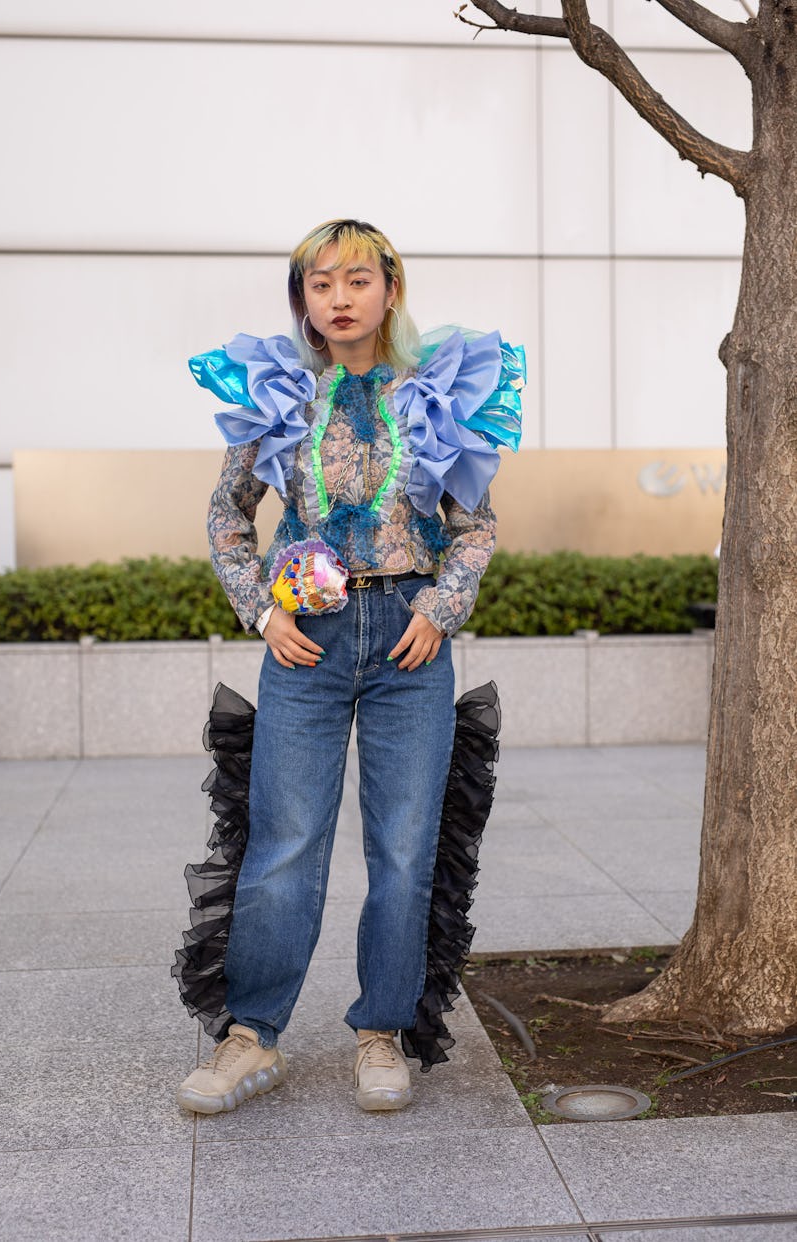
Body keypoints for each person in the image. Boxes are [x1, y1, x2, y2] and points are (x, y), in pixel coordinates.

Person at [174, 218, 524, 1115]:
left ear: (390, 291)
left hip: (410, 640)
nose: (338, 298)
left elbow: (474, 528)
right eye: (320, 283)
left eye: (356, 281)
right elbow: (226, 516)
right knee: (285, 842)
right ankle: (251, 1038)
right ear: (304, 299)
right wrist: (259, 609)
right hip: (307, 641)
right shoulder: (278, 393)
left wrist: (442, 609)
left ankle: (383, 1032)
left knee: (405, 850)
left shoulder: (433, 395)